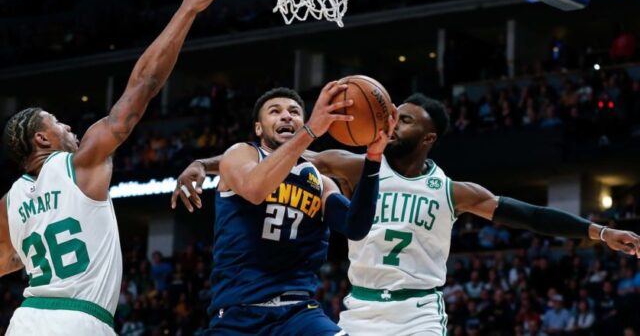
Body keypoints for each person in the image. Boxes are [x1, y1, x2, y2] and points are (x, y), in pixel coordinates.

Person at [174, 93, 640, 336]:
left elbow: (529, 215)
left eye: (408, 121)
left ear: (429, 138)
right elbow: (275, 158)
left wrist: (598, 231)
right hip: (359, 308)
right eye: (394, 117)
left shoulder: (453, 191)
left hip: (417, 310)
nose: (395, 124)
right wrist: (205, 164)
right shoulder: (350, 164)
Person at [0, 0, 235, 335]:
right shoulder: (80, 163)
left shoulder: (12, 200)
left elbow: (5, 261)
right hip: (79, 322)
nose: (68, 126)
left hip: (26, 319)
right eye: (57, 123)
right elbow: (143, 85)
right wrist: (187, 12)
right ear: (42, 139)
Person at [174, 84, 396, 335]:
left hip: (298, 313)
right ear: (258, 127)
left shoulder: (320, 181)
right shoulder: (242, 155)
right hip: (238, 314)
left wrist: (374, 157)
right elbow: (255, 189)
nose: (286, 115)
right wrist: (310, 131)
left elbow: (355, 227)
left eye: (294, 111)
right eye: (275, 111)